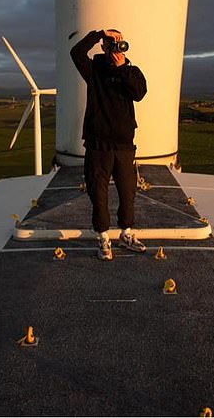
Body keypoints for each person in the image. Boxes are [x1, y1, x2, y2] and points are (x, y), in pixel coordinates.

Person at [70, 28, 147, 260]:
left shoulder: (131, 71)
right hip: (98, 145)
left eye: (119, 42)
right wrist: (98, 33)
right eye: (111, 43)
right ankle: (103, 238)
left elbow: (139, 93)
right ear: (103, 46)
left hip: (124, 145)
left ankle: (126, 233)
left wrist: (122, 67)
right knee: (98, 192)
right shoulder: (93, 70)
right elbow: (76, 52)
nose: (116, 46)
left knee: (127, 191)